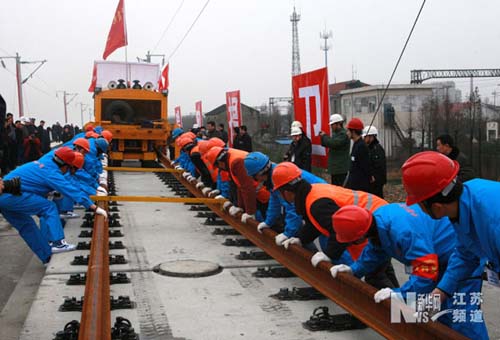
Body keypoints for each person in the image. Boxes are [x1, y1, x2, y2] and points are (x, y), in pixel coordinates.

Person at [331, 204, 488, 339]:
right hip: (437, 259)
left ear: (359, 236)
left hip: (463, 259)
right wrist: (354, 269)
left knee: (463, 316)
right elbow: (376, 250)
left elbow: (426, 271)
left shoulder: (403, 231)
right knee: (438, 313)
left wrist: (402, 293)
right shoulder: (378, 223)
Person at [271, 165, 399, 289]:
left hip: (373, 224)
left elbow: (337, 229)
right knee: (382, 269)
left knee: (375, 274)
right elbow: (318, 223)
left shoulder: (317, 203)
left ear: (286, 192)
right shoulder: (313, 193)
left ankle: (397, 308)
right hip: (378, 218)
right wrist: (300, 238)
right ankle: (402, 308)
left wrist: (328, 254)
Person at [401, 151, 500, 305]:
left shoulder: (492, 218)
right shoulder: (464, 204)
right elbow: (465, 254)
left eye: (420, 205)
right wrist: (440, 292)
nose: (420, 210)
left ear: (437, 207)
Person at [244, 156, 325, 246]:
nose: (255, 180)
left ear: (260, 173)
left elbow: (293, 209)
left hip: (322, 201)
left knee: (325, 238)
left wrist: (288, 233)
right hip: (317, 198)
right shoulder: (274, 175)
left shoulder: (280, 178)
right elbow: (275, 201)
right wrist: (268, 222)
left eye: (254, 177)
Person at [206, 146, 270, 222]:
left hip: (264, 195)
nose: (219, 169)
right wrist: (238, 206)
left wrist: (250, 212)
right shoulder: (230, 158)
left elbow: (247, 188)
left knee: (269, 221)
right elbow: (238, 186)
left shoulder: (236, 162)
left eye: (217, 166)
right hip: (259, 194)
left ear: (219, 162)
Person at [319, 114, 350, 186]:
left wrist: (324, 136)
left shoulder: (343, 134)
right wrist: (323, 137)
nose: (331, 127)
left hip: (341, 168)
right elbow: (327, 143)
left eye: (332, 125)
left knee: (340, 188)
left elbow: (333, 143)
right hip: (336, 169)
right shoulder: (336, 134)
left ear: (338, 124)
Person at [344, 118, 372, 192]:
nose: (347, 133)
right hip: (354, 185)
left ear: (353, 131)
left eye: (348, 131)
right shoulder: (356, 144)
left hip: (360, 187)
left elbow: (365, 167)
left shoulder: (361, 146)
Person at [363, 125, 386, 198]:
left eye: (365, 137)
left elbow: (379, 166)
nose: (364, 138)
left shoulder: (377, 149)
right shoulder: (368, 148)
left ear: (371, 137)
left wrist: (374, 177)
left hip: (376, 182)